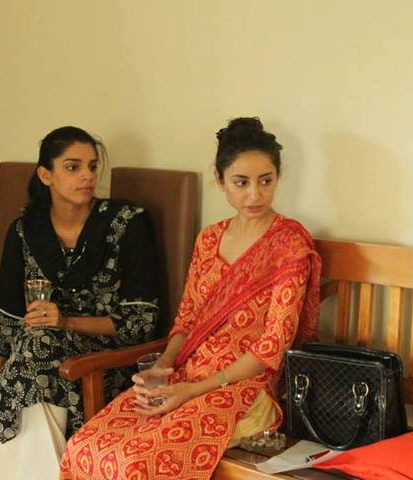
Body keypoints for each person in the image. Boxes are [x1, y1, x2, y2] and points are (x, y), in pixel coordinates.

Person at [59, 117, 321, 479]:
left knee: (136, 463)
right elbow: (187, 320)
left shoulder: (289, 243)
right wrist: (163, 367)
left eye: (266, 181)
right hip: (187, 372)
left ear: (278, 177)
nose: (255, 195)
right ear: (219, 179)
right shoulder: (209, 239)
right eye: (241, 182)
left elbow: (272, 348)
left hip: (244, 387)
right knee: (85, 446)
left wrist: (192, 391)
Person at [0, 126, 159, 480]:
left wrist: (65, 322)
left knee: (37, 344)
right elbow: (6, 320)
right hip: (37, 360)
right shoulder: (24, 231)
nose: (87, 176)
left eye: (92, 166)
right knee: (36, 344)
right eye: (72, 167)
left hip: (106, 361)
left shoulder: (126, 225)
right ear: (45, 175)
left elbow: (141, 322)